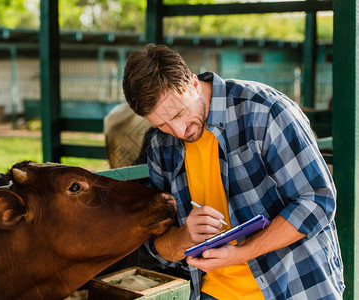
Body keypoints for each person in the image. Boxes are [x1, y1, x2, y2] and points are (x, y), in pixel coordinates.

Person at [122, 44, 344, 300]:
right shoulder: (161, 146)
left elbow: (318, 201)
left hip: (295, 288)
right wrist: (185, 236)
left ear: (194, 83)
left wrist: (241, 253)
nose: (179, 131)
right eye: (162, 124)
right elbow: (158, 247)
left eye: (181, 113)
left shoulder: (266, 111)